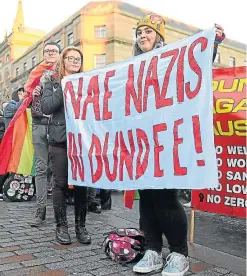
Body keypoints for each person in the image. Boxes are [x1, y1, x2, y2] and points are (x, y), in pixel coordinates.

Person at [131, 14, 225, 276]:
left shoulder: (171, 59)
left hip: (166, 138)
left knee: (164, 197)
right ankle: (152, 249)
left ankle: (179, 253)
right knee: (146, 197)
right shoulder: (132, 65)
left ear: (159, 36)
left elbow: (194, 63)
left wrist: (212, 43)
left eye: (148, 31)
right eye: (139, 31)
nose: (142, 35)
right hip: (141, 141)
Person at [41, 46, 91, 245]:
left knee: (82, 184)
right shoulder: (52, 83)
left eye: (78, 59)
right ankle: (61, 226)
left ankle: (81, 226)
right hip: (59, 140)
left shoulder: (88, 83)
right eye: (70, 58)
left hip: (82, 140)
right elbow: (46, 107)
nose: (74, 61)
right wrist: (65, 87)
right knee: (60, 184)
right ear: (63, 61)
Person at [29, 42, 61, 227]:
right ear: (43, 54)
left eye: (54, 51)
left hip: (57, 125)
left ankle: (59, 210)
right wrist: (32, 93)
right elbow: (24, 97)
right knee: (41, 169)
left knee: (57, 169)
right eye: (47, 51)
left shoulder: (64, 72)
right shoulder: (35, 73)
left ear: (59, 54)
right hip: (39, 123)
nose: (50, 53)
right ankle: (40, 211)